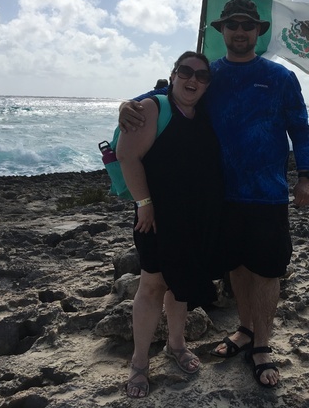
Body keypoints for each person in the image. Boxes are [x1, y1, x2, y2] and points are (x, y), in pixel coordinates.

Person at [119, 0, 309, 388]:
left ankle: (262, 345)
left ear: (258, 32)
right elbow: (169, 93)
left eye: (247, 26)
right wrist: (128, 103)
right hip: (220, 199)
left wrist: (304, 176)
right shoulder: (213, 75)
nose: (240, 32)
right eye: (232, 26)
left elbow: (301, 128)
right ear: (221, 31)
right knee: (237, 268)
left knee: (268, 271)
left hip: (268, 194)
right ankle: (243, 329)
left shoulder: (281, 78)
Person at [118, 51, 223, 398]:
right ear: (173, 75)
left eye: (202, 76)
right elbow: (126, 154)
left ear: (208, 84)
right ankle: (138, 363)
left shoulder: (204, 113)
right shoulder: (153, 107)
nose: (193, 80)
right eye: (186, 72)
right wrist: (144, 203)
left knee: (181, 283)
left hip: (194, 217)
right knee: (151, 285)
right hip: (156, 216)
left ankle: (176, 346)